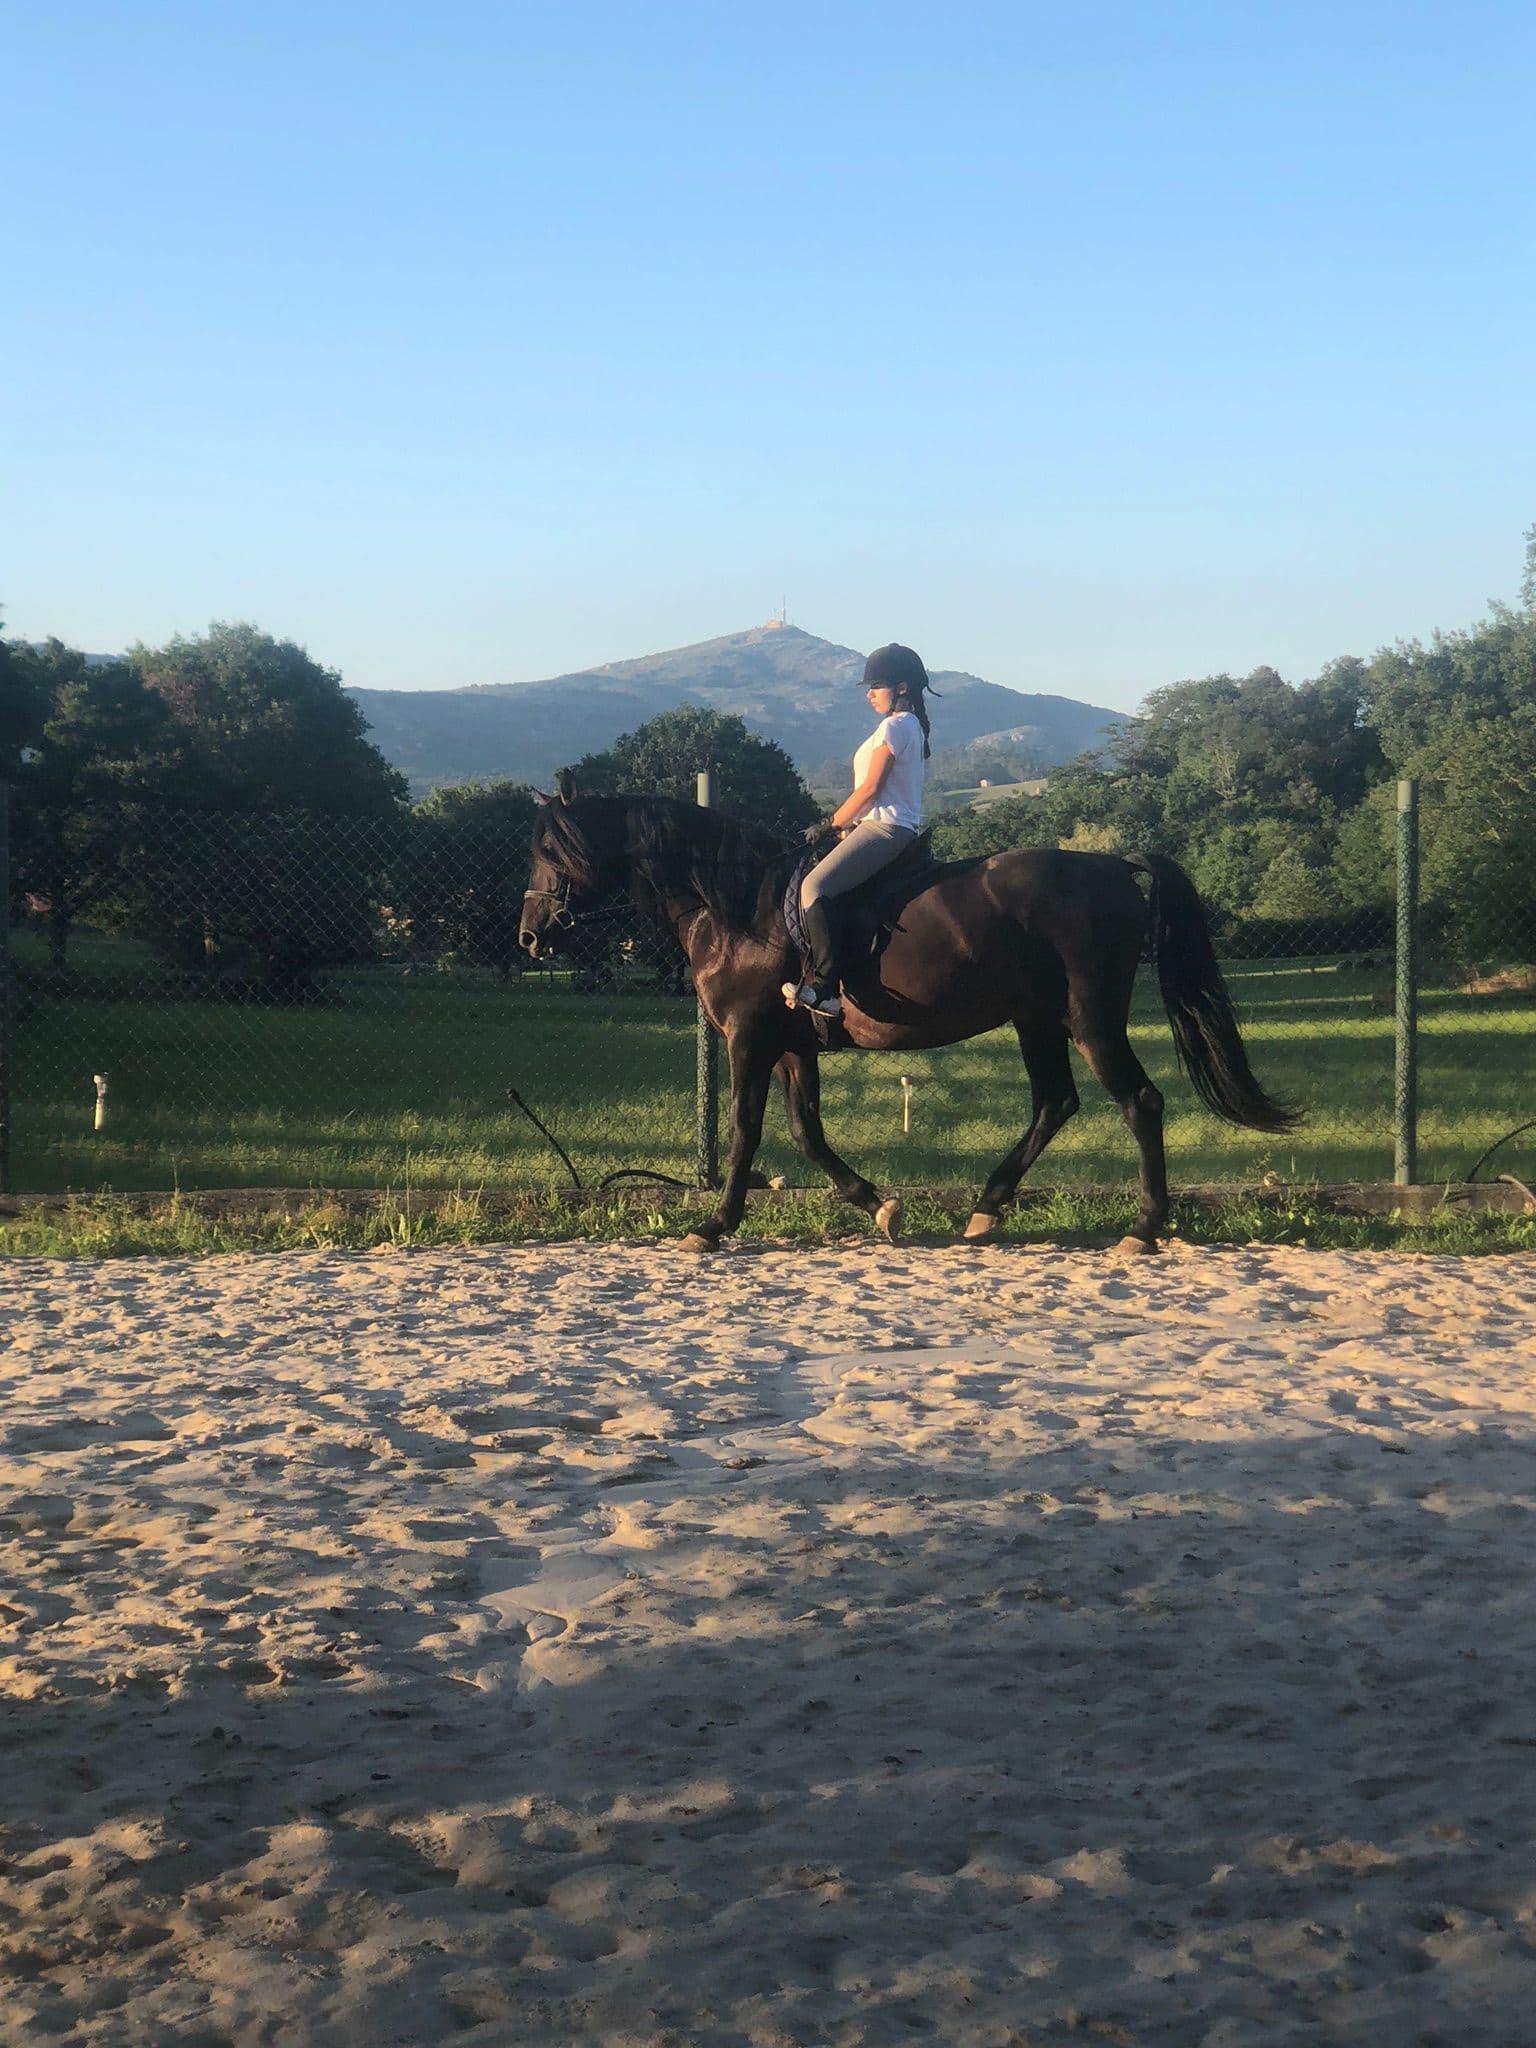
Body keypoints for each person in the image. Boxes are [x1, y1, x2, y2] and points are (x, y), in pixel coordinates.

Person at [782, 642, 934, 1016]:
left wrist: (830, 824)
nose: (869, 693)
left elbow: (870, 790)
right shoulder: (905, 725)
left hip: (884, 828)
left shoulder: (896, 726)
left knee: (813, 887)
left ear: (901, 687)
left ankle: (824, 987)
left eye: (877, 685)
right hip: (881, 826)